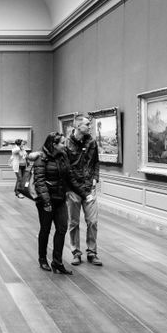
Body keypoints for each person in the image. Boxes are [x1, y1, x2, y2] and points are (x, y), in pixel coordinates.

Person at [31, 132, 88, 275]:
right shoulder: (41, 158)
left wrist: (84, 194)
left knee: (62, 229)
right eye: (62, 142)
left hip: (60, 199)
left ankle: (57, 262)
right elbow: (39, 182)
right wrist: (46, 201)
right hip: (46, 201)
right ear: (54, 144)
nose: (64, 144)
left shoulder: (63, 156)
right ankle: (42, 259)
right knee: (45, 229)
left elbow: (70, 178)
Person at [65, 113, 101, 266]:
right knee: (73, 223)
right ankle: (76, 252)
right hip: (73, 189)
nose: (90, 127)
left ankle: (92, 252)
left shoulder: (92, 142)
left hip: (89, 187)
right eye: (87, 124)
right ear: (77, 126)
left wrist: (95, 180)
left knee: (92, 221)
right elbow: (67, 170)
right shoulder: (66, 143)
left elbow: (96, 163)